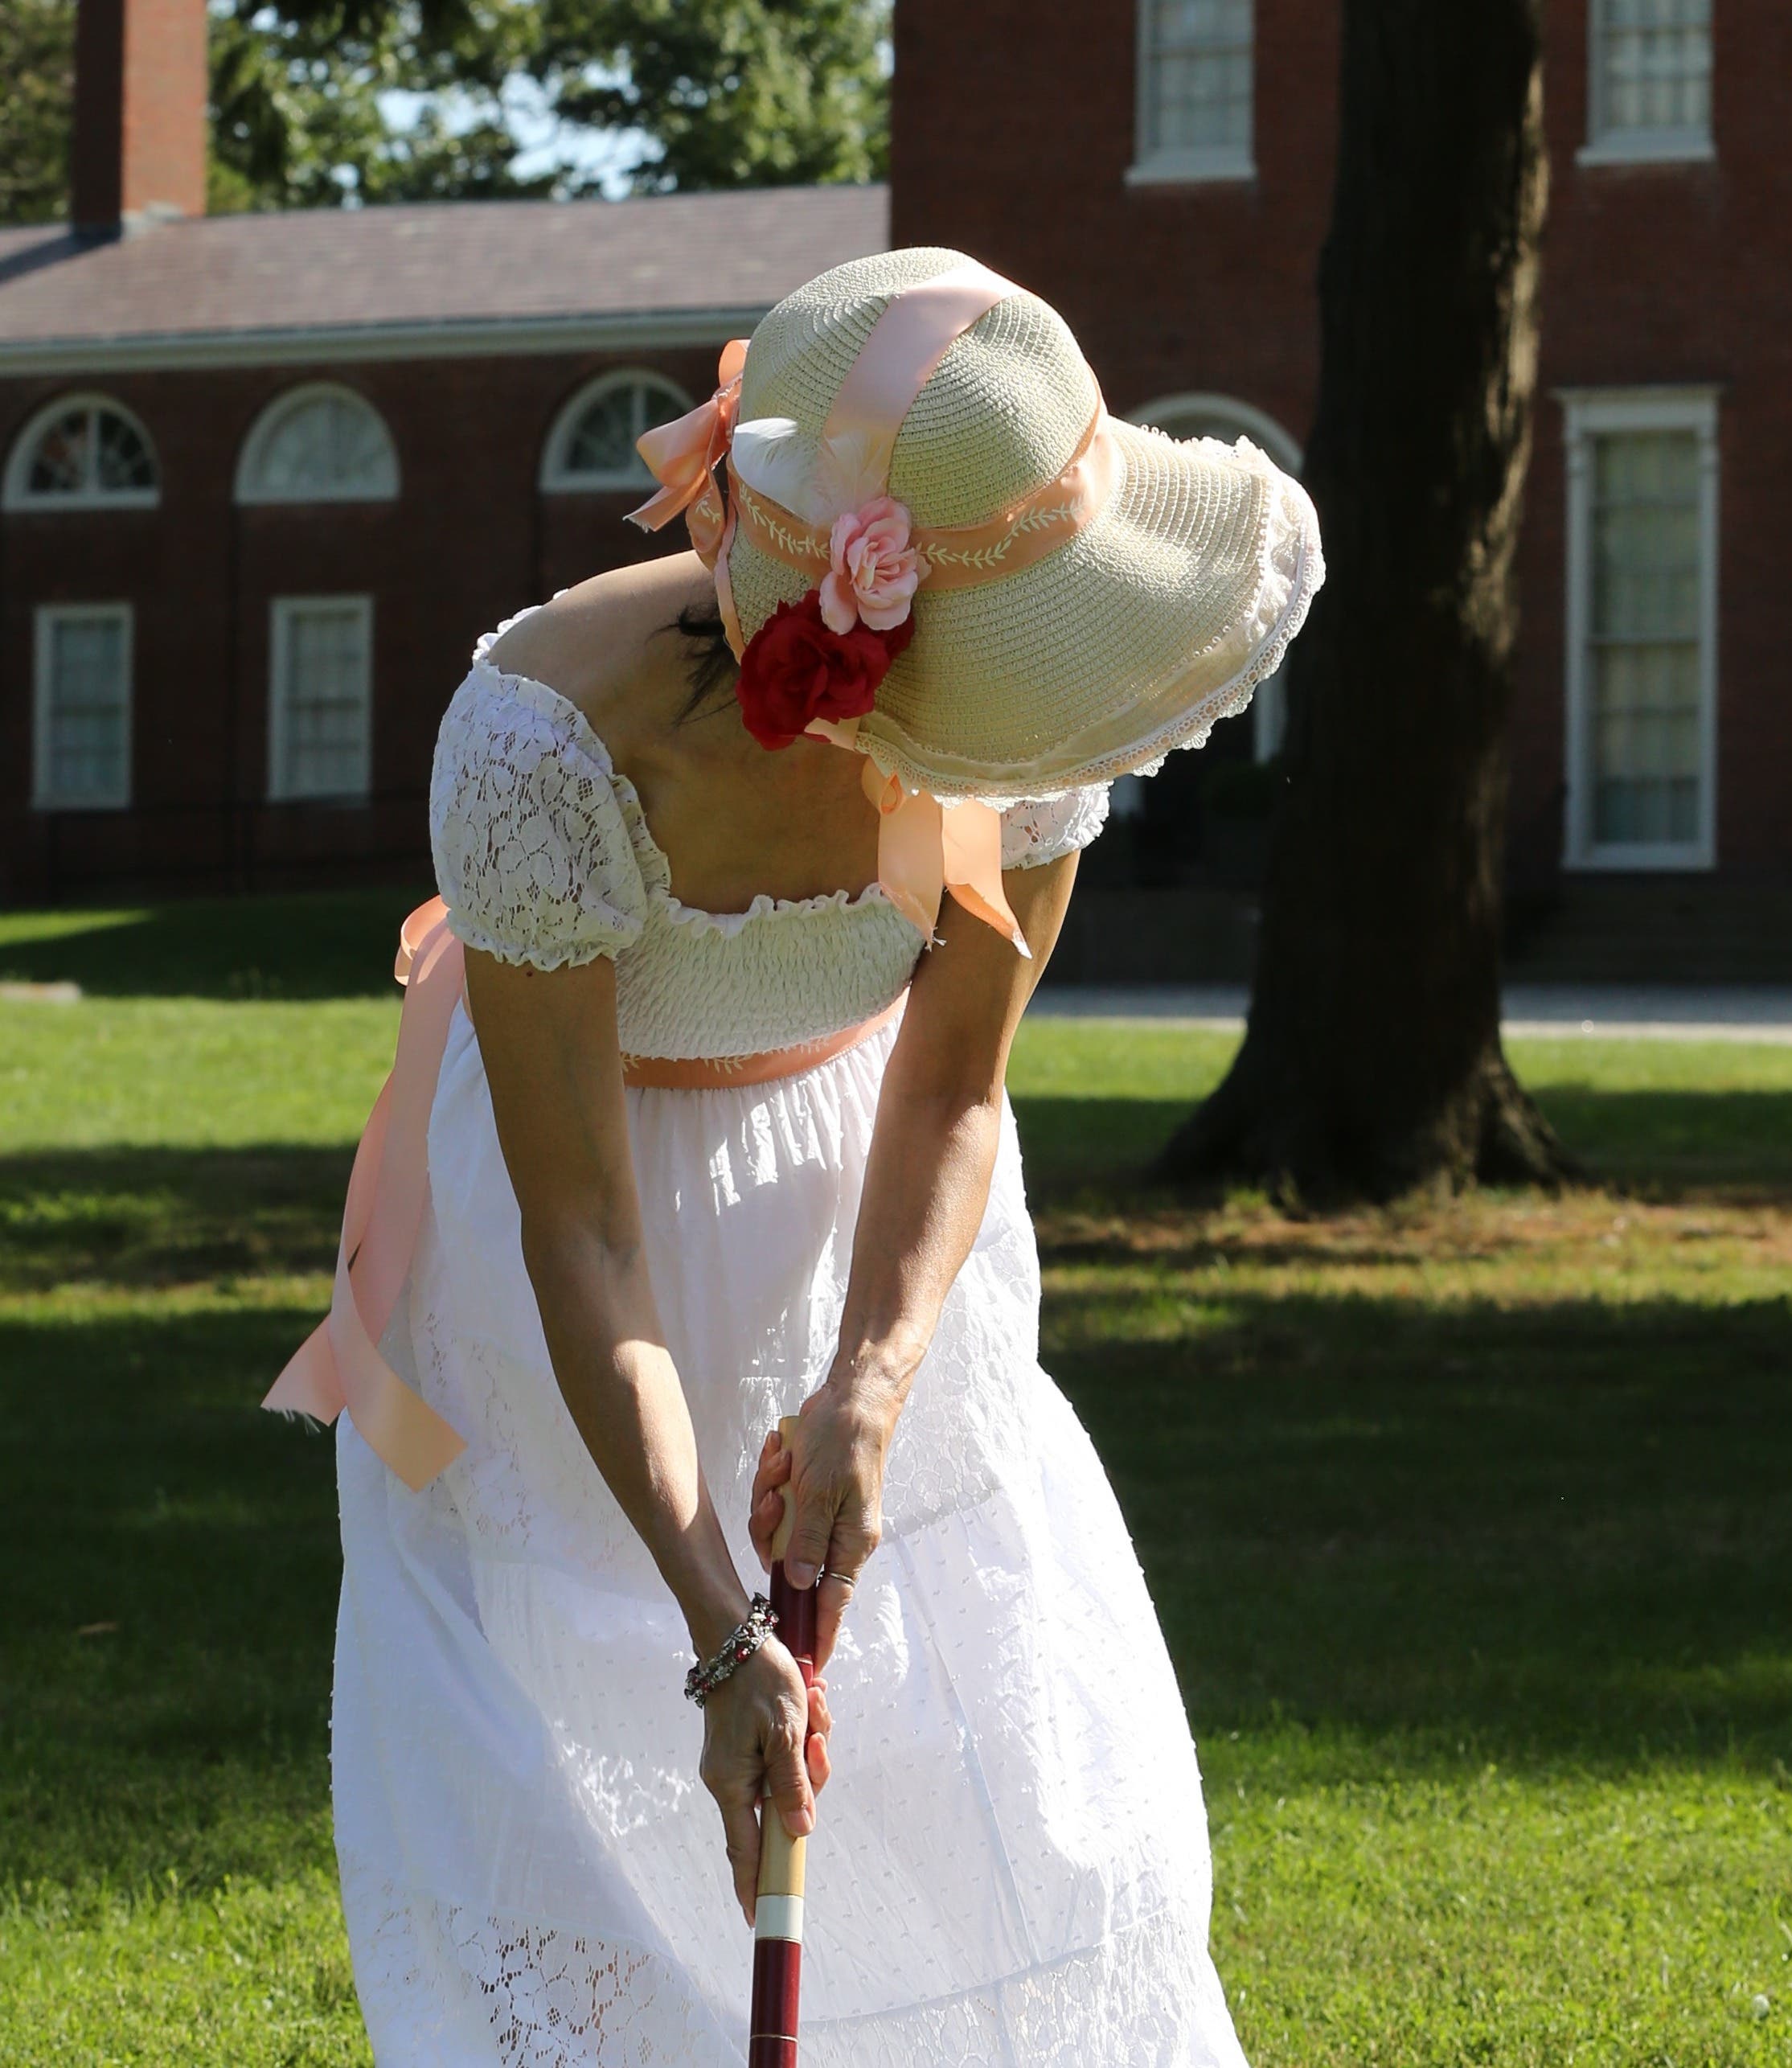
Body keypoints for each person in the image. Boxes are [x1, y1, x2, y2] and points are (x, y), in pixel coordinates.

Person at [267, 248, 1321, 2064]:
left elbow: (953, 1091)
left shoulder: (1034, 714)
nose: (1032, 714)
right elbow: (577, 1226)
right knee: (593, 1827)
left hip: (873, 1219)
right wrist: (712, 1632)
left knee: (989, 1776)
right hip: (577, 1271)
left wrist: (871, 1379)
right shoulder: (545, 742)